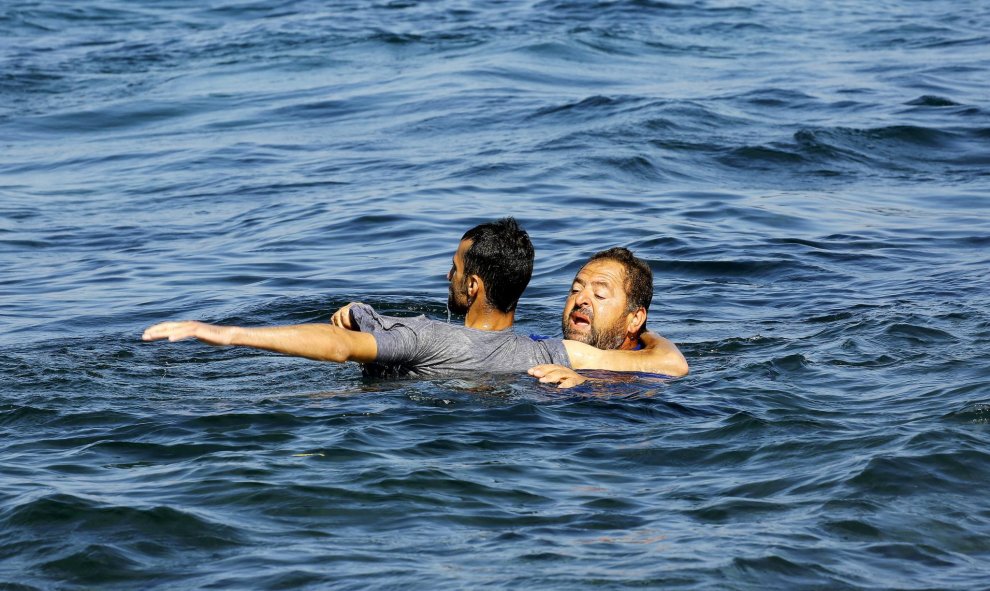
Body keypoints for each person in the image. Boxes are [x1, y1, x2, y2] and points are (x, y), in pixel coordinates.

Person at [142, 219, 680, 380]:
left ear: (472, 286)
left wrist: (221, 331)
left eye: (453, 268)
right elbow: (670, 365)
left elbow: (338, 348)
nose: (581, 299)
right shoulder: (550, 354)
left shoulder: (432, 336)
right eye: (575, 289)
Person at [528, 247, 688, 388]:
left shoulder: (644, 378)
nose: (579, 299)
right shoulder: (542, 346)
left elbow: (673, 364)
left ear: (635, 319)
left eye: (599, 295)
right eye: (576, 290)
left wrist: (588, 384)